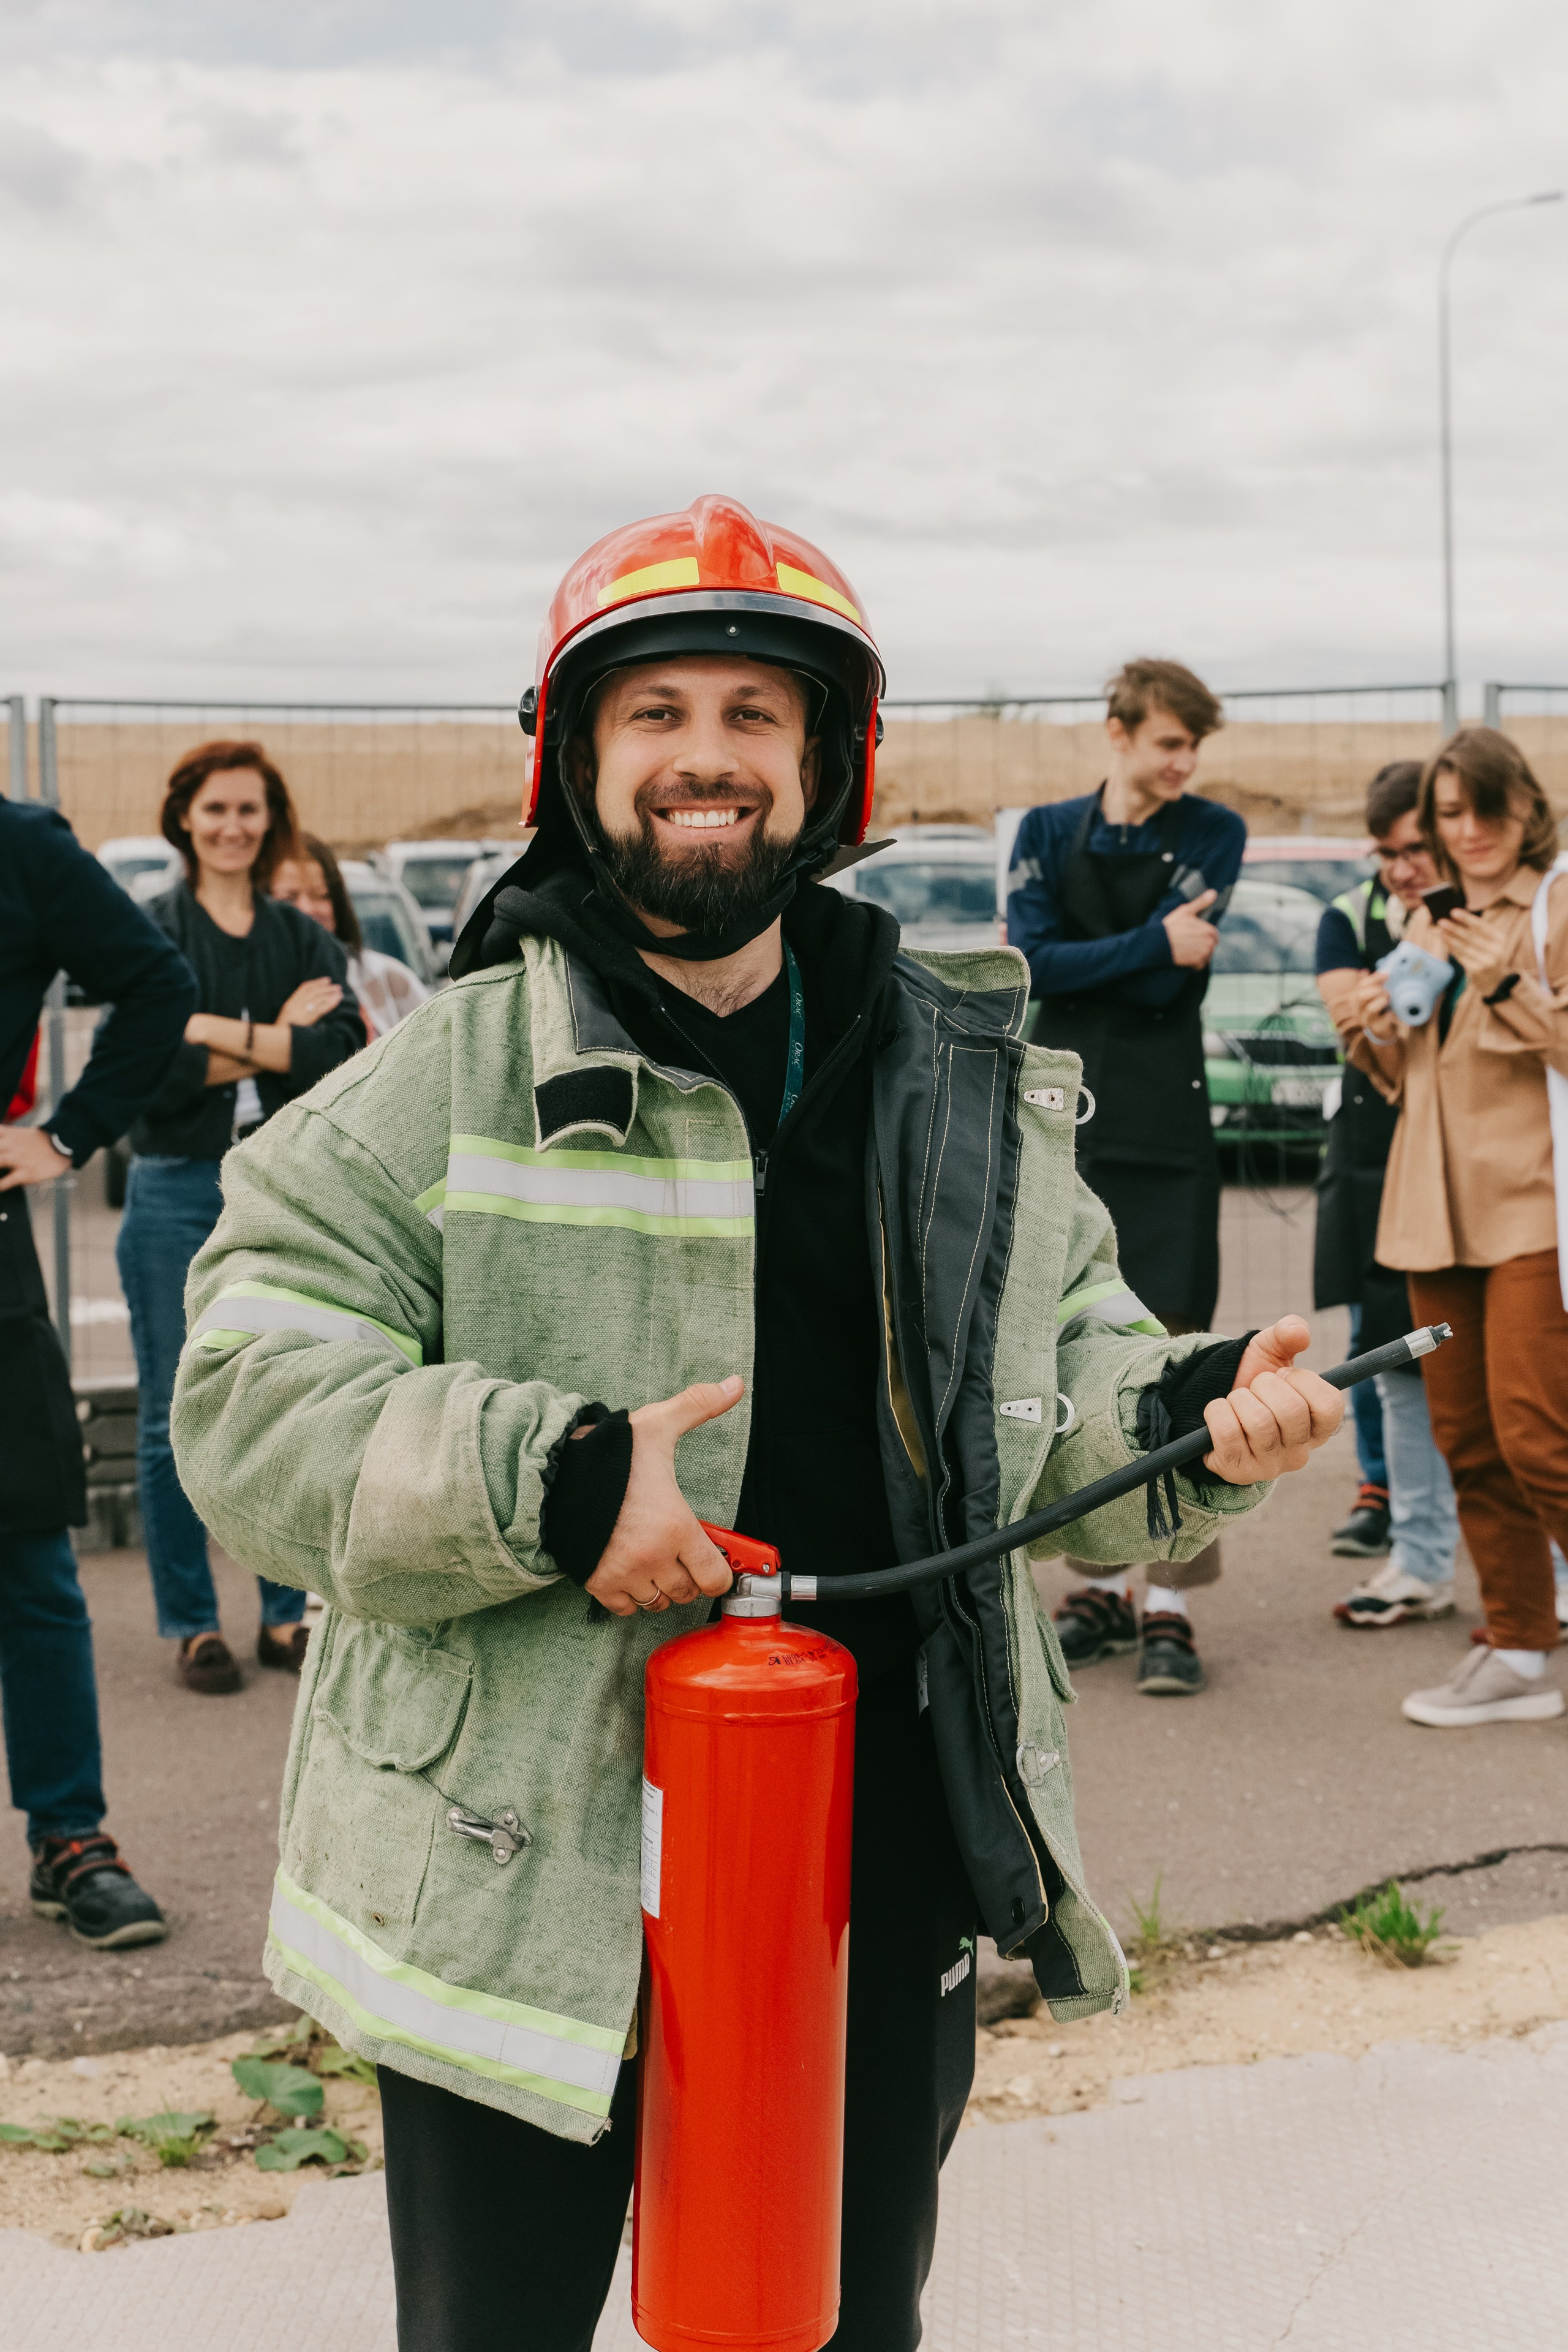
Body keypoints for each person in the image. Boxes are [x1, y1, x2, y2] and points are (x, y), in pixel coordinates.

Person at [170, 496, 1342, 2352]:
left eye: (749, 714)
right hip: (518, 1875)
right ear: (577, 756)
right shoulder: (435, 1075)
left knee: (832, 2326)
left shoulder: (957, 1067)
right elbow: (246, 1395)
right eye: (654, 713)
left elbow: (1057, 1390)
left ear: (824, 762)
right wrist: (547, 1479)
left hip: (863, 1867)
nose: (702, 756)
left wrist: (1192, 1417)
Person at [1006, 658, 1245, 1696]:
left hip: (1167, 1113)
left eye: (1194, 747)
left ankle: (1172, 1602)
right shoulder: (1046, 833)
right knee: (1074, 1334)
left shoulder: (1215, 834)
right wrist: (1150, 943)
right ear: (1118, 732)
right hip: (1066, 1119)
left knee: (1179, 1335)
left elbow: (1132, 970)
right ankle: (1098, 1584)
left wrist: (1105, 956)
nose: (1184, 763)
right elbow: (1031, 963)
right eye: (1167, 743)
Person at [119, 742, 365, 1697]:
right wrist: (276, 1042)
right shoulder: (150, 932)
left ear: (271, 822)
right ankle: (191, 1624)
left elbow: (337, 1056)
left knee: (271, 1393)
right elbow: (144, 1079)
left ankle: (279, 1614)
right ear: (185, 817)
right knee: (162, 1413)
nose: (233, 827)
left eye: (250, 811)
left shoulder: (297, 936)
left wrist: (206, 1031)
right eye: (215, 809)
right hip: (174, 1182)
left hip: (276, 1185)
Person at [0, 796, 197, 1947]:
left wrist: (66, 1136)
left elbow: (156, 985)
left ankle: (70, 1836)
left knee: (29, 1560)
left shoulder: (21, 847)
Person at [1349, 727, 1568, 1726]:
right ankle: (1519, 1653)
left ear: (1526, 808)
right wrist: (1373, 1029)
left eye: (1487, 808)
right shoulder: (1430, 924)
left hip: (1531, 1206)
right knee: (1468, 1440)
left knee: (1538, 1437)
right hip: (1431, 1212)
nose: (1469, 830)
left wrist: (1507, 984)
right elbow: (1405, 1080)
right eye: (1449, 813)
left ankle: (1526, 1640)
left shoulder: (1554, 904)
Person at [1314, 764, 1460, 1625]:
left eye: (1418, 848)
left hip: (1484, 1173)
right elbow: (1357, 1024)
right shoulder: (1354, 916)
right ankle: (1417, 1554)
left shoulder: (1495, 917)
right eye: (1388, 852)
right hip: (1383, 1163)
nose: (1403, 866)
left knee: (1515, 1380)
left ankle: (1547, 1571)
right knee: (1399, 1366)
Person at [271, 835, 431, 1037]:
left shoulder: (391, 979)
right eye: (289, 898)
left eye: (322, 896)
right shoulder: (248, 986)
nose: (307, 909)